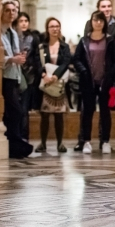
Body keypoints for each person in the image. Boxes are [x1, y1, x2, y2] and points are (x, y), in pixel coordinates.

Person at [73, 11, 115, 154]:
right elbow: (76, 59)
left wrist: (110, 76)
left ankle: (105, 141)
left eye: (101, 20)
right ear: (91, 22)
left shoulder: (110, 40)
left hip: (105, 81)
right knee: (87, 111)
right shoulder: (84, 41)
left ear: (104, 23)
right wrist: (84, 71)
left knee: (105, 112)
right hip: (88, 81)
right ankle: (86, 141)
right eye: (95, 20)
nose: (98, 23)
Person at [1, 2, 34, 159]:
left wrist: (19, 58)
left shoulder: (13, 32)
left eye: (14, 10)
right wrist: (12, 59)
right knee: (16, 111)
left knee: (15, 112)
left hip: (14, 76)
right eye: (7, 10)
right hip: (4, 77)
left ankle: (14, 144)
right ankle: (13, 143)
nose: (11, 13)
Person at [34, 18, 71, 153]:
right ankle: (43, 143)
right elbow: (37, 62)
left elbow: (66, 62)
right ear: (47, 29)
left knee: (59, 116)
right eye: (52, 26)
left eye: (57, 26)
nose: (55, 28)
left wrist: (55, 76)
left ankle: (60, 143)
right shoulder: (41, 46)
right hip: (46, 84)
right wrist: (44, 75)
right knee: (44, 115)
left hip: (58, 83)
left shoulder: (64, 46)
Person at [83, 0, 115, 111]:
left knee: (108, 104)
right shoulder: (89, 23)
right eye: (103, 6)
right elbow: (87, 43)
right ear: (98, 8)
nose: (107, 9)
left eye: (109, 6)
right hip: (94, 66)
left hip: (110, 67)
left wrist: (102, 44)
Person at [14, 12, 41, 141]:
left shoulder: (33, 38)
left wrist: (37, 73)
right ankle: (15, 136)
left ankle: (24, 138)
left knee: (24, 109)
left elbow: (36, 57)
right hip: (14, 75)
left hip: (29, 76)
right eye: (21, 21)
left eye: (26, 20)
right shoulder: (13, 36)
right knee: (15, 108)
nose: (24, 23)